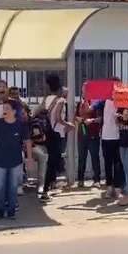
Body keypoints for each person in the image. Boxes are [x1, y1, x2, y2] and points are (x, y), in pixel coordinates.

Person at [0, 101, 33, 219]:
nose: (4, 110)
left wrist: (29, 159)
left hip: (15, 161)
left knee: (13, 186)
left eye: (7, 108)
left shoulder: (20, 125)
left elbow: (27, 141)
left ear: (14, 112)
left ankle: (11, 211)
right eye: (4, 108)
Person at [41, 74, 74, 202]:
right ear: (60, 88)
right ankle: (45, 190)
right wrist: (68, 125)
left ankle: (50, 186)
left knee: (53, 161)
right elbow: (58, 118)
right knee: (53, 162)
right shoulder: (60, 100)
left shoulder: (49, 99)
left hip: (49, 133)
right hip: (56, 134)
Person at [93, 77, 124, 199]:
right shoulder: (103, 101)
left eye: (118, 85)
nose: (115, 87)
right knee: (107, 163)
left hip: (119, 137)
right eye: (113, 85)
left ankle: (117, 188)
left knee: (118, 164)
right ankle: (109, 188)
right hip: (106, 136)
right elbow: (92, 107)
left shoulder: (123, 100)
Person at [75, 82, 102, 188]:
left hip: (93, 134)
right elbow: (75, 116)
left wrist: (92, 120)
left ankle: (97, 180)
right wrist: (80, 120)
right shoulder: (79, 102)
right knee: (81, 158)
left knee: (95, 158)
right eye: (84, 88)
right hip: (82, 134)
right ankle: (80, 180)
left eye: (87, 88)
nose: (85, 90)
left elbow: (101, 119)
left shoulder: (96, 103)